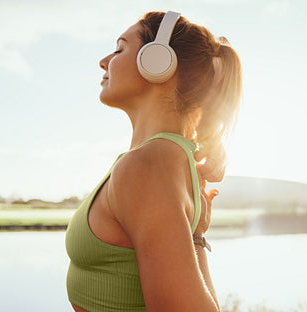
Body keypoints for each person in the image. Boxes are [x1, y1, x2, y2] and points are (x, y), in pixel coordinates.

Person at [65, 11, 242, 312]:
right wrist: (196, 238)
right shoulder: (163, 158)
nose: (104, 61)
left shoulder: (149, 164)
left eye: (120, 49)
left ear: (158, 61)